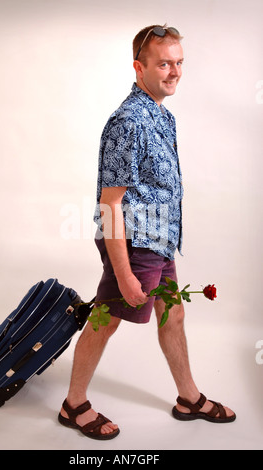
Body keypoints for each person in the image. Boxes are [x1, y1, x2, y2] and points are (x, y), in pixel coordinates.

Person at [58, 24, 236, 440]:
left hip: (159, 241)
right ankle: (73, 404)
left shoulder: (162, 114)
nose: (174, 72)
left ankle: (188, 397)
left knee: (173, 313)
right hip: (134, 244)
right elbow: (111, 204)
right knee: (105, 320)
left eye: (178, 63)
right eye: (164, 64)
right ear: (139, 67)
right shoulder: (128, 121)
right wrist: (123, 271)